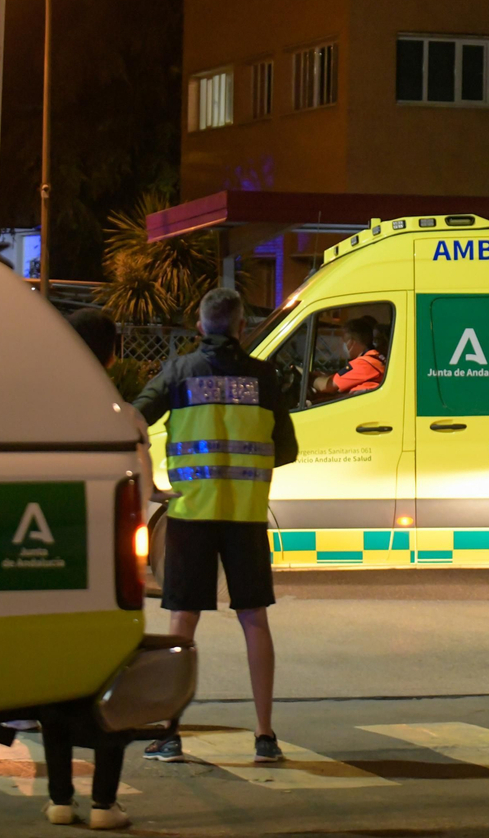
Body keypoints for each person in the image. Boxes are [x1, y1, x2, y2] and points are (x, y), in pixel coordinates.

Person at [132, 288, 297, 764]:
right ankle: (265, 736)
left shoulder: (180, 373)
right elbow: (286, 450)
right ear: (242, 327)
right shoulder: (264, 377)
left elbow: (132, 419)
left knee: (182, 623)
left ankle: (171, 732)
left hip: (190, 515)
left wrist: (150, 486)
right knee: (254, 620)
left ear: (201, 327)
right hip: (244, 517)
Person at [41, 306, 132, 828]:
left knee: (55, 681)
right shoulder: (113, 408)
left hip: (55, 558)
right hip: (108, 563)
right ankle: (103, 803)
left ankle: (59, 798)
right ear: (113, 353)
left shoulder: (44, 404)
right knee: (109, 682)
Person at [310, 315, 387, 396]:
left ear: (352, 342)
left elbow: (327, 386)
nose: (343, 343)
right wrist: (325, 375)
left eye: (345, 340)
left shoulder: (363, 364)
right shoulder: (374, 358)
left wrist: (308, 378)